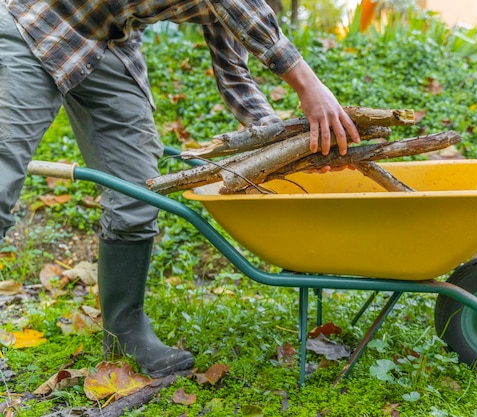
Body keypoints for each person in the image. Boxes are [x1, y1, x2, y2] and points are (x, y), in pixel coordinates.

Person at [0, 0, 360, 378]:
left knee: (138, 193)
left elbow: (235, 77)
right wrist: (309, 86)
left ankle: (125, 332)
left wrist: (282, 146)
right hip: (37, 25)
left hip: (108, 42)